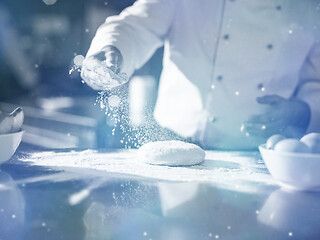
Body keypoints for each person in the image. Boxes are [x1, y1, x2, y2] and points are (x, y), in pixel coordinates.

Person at [81, 0, 320, 150]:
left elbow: (315, 81)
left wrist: (302, 110)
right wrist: (112, 48)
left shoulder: (309, 8)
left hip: (256, 152)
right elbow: (134, 25)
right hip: (171, 141)